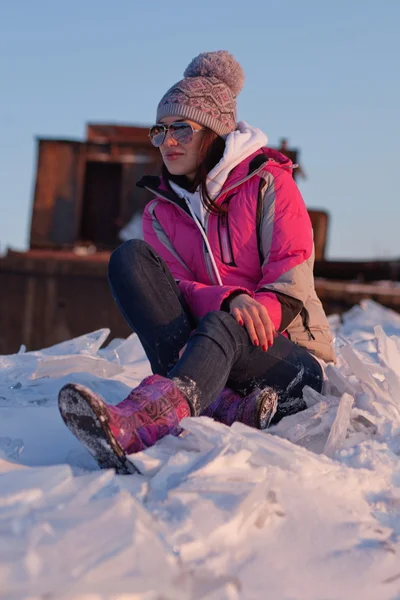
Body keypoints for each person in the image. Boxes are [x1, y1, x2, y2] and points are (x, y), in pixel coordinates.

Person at [58, 51, 335, 475]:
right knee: (129, 259)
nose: (168, 142)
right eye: (160, 130)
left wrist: (242, 313)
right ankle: (224, 405)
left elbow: (291, 278)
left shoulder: (267, 183)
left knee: (227, 322)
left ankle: (141, 423)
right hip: (208, 354)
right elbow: (177, 290)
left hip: (287, 364)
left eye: (182, 129)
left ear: (214, 133)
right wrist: (228, 300)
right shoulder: (159, 212)